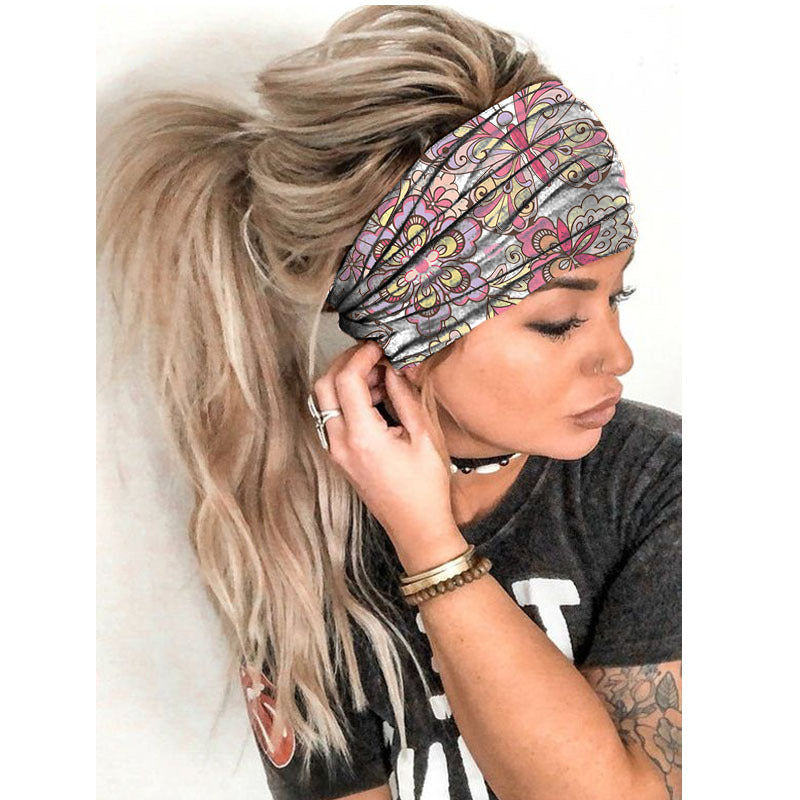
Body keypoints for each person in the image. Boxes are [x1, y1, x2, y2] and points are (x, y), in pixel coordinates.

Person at [97, 6, 681, 800]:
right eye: (558, 321)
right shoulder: (294, 528)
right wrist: (414, 528)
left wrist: (430, 546)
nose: (621, 356)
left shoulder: (658, 484)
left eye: (619, 298)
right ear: (410, 329)